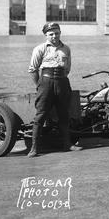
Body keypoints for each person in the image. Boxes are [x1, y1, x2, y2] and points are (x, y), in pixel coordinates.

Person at [27, 22, 81, 157]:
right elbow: (33, 70)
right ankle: (34, 148)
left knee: (64, 114)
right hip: (46, 83)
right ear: (46, 35)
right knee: (41, 115)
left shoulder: (66, 49)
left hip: (62, 82)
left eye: (57, 33)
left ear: (60, 33)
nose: (54, 36)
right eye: (51, 34)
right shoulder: (40, 49)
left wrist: (60, 80)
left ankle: (67, 144)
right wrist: (40, 85)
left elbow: (67, 68)